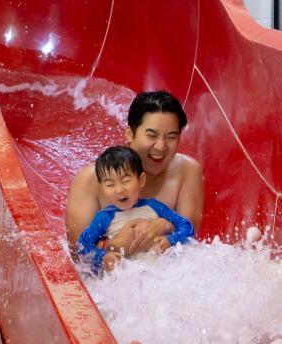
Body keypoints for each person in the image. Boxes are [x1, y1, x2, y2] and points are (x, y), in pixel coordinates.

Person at [66, 90, 204, 258]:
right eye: (151, 135)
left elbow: (188, 245)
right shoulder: (90, 180)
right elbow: (78, 256)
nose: (160, 146)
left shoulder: (187, 171)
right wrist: (111, 246)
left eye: (171, 137)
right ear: (129, 134)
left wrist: (163, 225)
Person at [77, 146, 195, 274]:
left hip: (161, 274)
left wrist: (171, 240)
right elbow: (82, 247)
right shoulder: (104, 217)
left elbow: (187, 227)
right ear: (102, 188)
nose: (119, 190)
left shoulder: (155, 207)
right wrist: (102, 257)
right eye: (110, 184)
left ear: (141, 180)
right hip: (126, 277)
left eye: (126, 181)